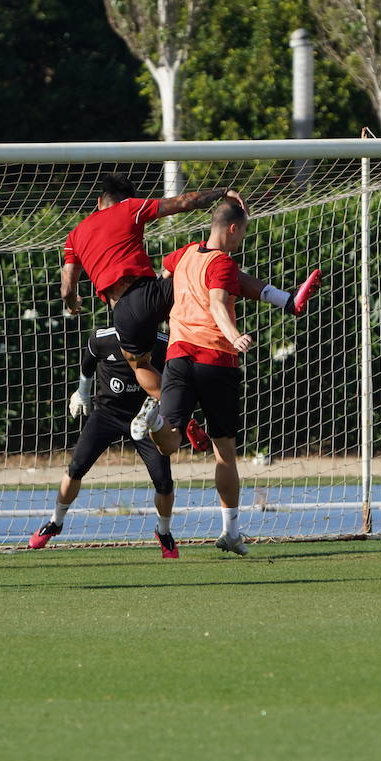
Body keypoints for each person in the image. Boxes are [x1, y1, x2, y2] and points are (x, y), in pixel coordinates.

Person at [60, 173, 320, 441]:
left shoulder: (74, 236)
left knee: (140, 365)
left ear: (99, 201)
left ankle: (174, 423)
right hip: (148, 293)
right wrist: (222, 192)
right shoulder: (129, 208)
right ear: (127, 198)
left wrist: (72, 303)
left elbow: (67, 287)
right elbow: (185, 202)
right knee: (210, 268)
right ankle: (286, 300)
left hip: (123, 313)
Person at [30, 328, 204, 558]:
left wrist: (183, 419)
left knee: (164, 482)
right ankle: (55, 522)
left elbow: (176, 386)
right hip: (107, 414)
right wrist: (82, 392)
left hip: (146, 417)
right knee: (76, 467)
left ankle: (163, 532)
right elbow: (88, 363)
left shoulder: (164, 344)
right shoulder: (102, 339)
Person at [152, 199, 256, 555]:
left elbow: (162, 281)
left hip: (178, 355)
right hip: (215, 358)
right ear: (232, 229)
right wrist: (234, 335)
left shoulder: (182, 255)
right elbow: (217, 303)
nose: (242, 240)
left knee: (169, 441)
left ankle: (153, 421)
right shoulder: (223, 262)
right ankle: (231, 531)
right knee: (224, 450)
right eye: (243, 232)